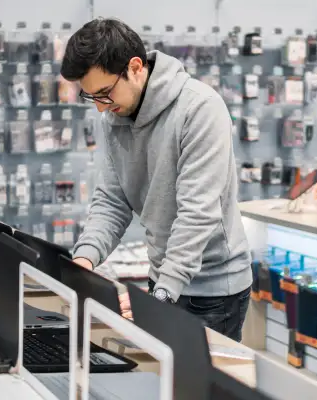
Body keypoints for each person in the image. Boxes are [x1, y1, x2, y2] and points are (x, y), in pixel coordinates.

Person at [60, 18, 252, 341]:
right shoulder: (114, 116)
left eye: (104, 94)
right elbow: (111, 200)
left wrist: (160, 298)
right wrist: (84, 259)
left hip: (214, 291)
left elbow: (197, 214)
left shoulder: (200, 109)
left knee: (198, 391)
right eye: (90, 96)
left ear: (135, 68)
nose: (99, 108)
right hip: (162, 280)